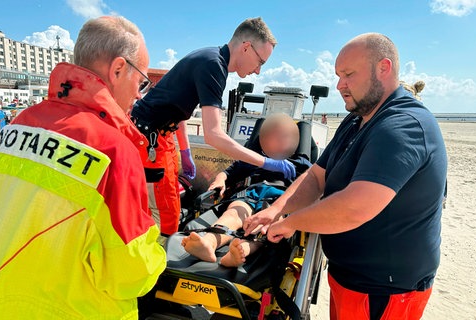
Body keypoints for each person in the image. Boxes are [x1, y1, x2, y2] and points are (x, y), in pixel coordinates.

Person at [0, 16, 166, 319]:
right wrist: (157, 248)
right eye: (140, 81)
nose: (140, 94)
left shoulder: (17, 125)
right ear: (117, 69)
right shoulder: (113, 150)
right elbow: (130, 273)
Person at [244, 33, 447, 320]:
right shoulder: (357, 119)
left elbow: (355, 208)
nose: (340, 85)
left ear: (383, 68)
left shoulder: (403, 126)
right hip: (348, 277)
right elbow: (316, 176)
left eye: (349, 74)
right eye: (338, 75)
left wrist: (292, 223)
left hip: (384, 289)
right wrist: (278, 209)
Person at [130, 17, 296, 236]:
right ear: (246, 47)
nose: (258, 71)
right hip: (146, 140)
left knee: (170, 208)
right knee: (163, 217)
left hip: (160, 136)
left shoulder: (209, 58)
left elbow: (176, 108)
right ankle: (156, 266)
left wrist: (185, 151)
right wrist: (267, 162)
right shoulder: (213, 65)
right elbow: (214, 135)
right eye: (261, 62)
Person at [182, 114, 311, 267]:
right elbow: (228, 173)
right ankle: (209, 243)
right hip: (250, 194)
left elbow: (311, 185)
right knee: (233, 213)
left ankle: (241, 249)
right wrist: (220, 180)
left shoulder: (300, 163)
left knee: (266, 228)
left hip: (280, 200)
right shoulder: (253, 158)